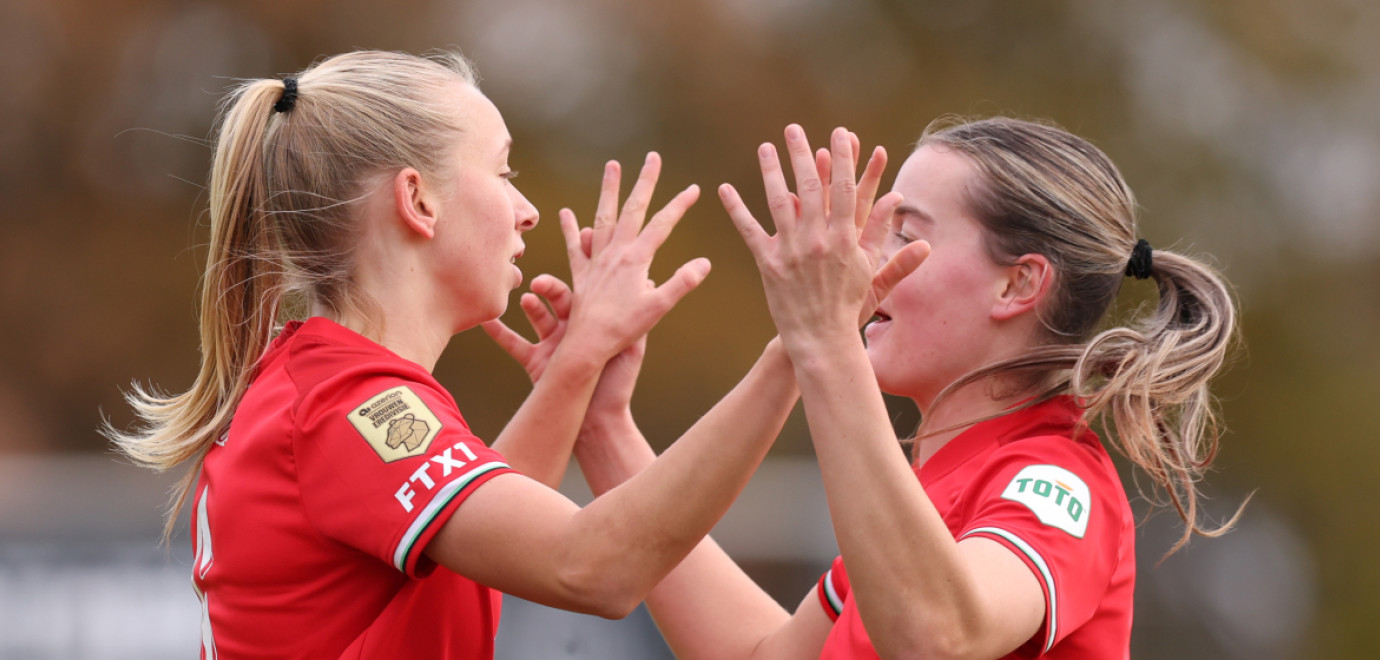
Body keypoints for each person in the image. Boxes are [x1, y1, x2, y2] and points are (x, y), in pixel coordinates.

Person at [104, 50, 857, 659]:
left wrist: (578, 367)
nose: (526, 208)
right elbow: (592, 566)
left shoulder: (330, 387)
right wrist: (801, 346)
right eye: (502, 172)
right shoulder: (349, 405)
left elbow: (487, 546)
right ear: (418, 201)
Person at [555, 118, 1239, 659]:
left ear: (1019, 284)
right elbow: (758, 654)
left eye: (903, 236)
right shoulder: (920, 493)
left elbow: (938, 634)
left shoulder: (1056, 479)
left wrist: (824, 343)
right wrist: (602, 425)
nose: (864, 264)